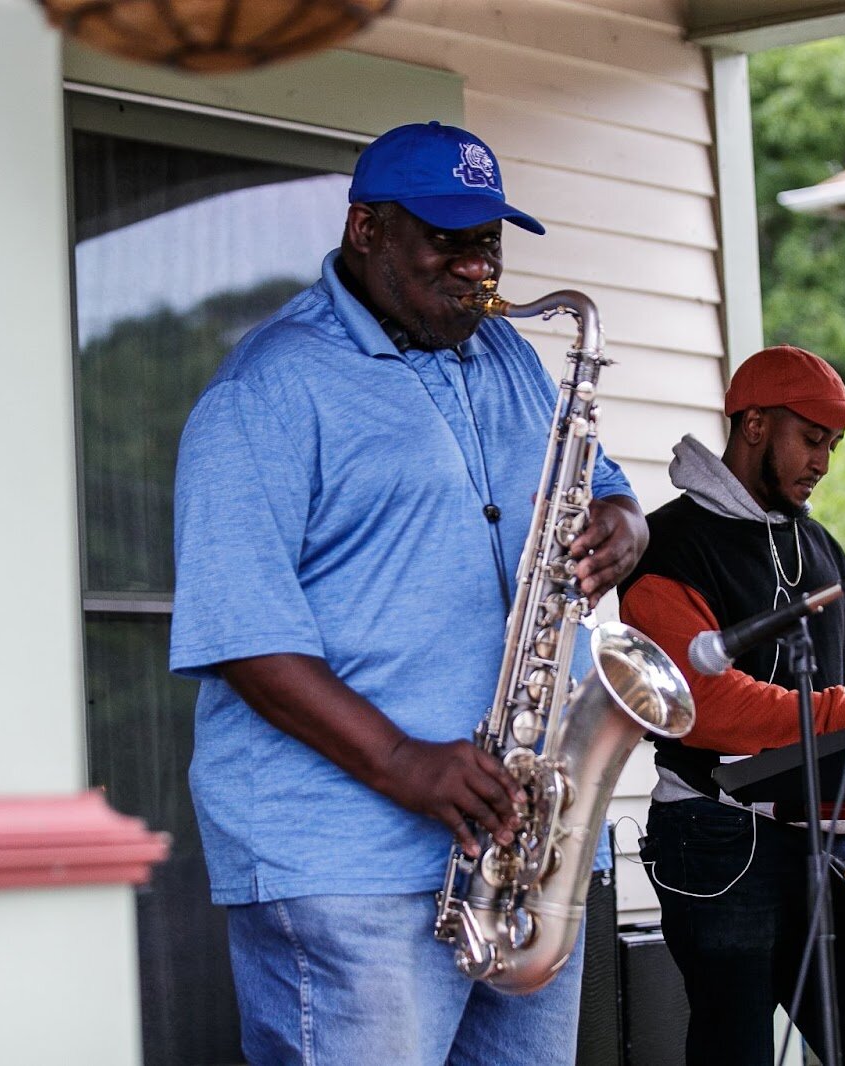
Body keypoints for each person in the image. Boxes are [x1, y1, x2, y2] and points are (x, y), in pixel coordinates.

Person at [168, 121, 648, 1065]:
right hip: (348, 867)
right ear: (366, 230)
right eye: (445, 239)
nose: (474, 268)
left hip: (521, 852)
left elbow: (603, 483)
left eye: (488, 244)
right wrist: (402, 762)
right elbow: (241, 631)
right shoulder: (264, 389)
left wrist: (625, 525)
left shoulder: (507, 355)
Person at [617, 344, 845, 1066]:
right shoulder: (670, 545)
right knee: (736, 1052)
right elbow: (702, 704)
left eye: (831, 445)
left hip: (827, 835)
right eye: (812, 438)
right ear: (753, 426)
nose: (824, 463)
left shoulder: (824, 549)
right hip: (717, 835)